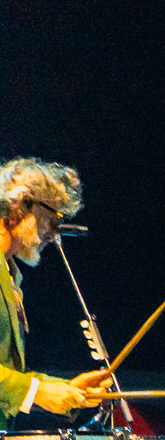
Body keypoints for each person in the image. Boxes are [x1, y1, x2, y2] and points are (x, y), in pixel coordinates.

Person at [0, 158, 108, 419]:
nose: (53, 233)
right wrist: (36, 391)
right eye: (53, 218)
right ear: (23, 205)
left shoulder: (9, 273)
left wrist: (58, 388)